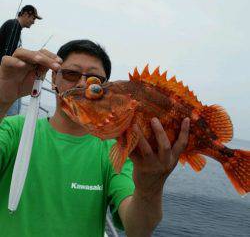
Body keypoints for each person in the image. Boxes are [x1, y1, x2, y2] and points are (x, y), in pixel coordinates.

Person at [0, 39, 190, 237]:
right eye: (71, 74)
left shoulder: (115, 150)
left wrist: (150, 186)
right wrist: (2, 99)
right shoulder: (13, 130)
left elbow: (139, 229)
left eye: (95, 82)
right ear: (54, 77)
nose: (82, 84)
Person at [0, 4, 42, 116]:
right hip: (4, 78)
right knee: (11, 114)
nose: (33, 22)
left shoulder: (15, 27)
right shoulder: (13, 25)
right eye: (33, 18)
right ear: (25, 14)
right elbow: (7, 57)